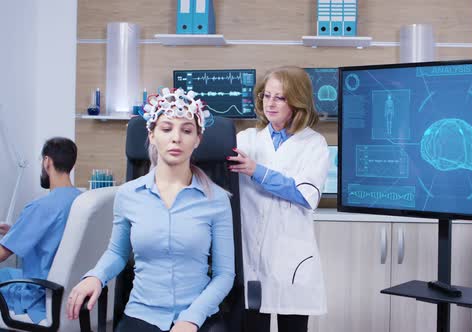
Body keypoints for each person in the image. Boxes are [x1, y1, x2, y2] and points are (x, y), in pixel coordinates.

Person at [66, 88, 235, 332]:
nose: (176, 138)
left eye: (186, 130)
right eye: (166, 129)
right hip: (142, 314)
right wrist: (95, 276)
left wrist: (191, 318)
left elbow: (225, 274)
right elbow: (117, 253)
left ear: (197, 139)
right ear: (152, 135)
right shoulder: (128, 195)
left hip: (198, 315)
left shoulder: (216, 200)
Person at [228, 66, 330, 332]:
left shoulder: (313, 144)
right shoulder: (246, 140)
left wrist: (256, 170)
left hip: (291, 261)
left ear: (297, 101)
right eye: (266, 95)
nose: (270, 103)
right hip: (250, 257)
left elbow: (305, 194)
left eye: (280, 97)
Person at [0, 137, 81, 323]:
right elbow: (59, 235)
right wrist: (16, 231)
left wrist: (13, 238)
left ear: (47, 161)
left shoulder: (40, 207)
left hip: (40, 295)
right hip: (67, 290)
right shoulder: (81, 201)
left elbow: (2, 253)